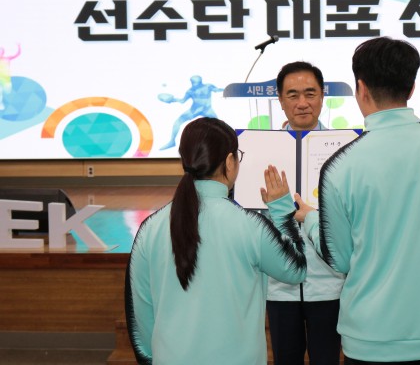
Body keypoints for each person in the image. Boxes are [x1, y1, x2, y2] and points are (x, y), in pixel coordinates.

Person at [266, 37, 420, 364]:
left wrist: (309, 217)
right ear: (411, 88)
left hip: (369, 337)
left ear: (361, 89)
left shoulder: (340, 164)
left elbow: (340, 260)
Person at [125, 117, 307, 365]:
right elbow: (296, 270)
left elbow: (141, 317)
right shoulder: (250, 225)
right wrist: (283, 209)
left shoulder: (149, 228)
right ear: (230, 162)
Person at [266, 61, 345, 365]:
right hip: (279, 285)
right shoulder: (261, 149)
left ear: (323, 96)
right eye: (293, 95)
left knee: (327, 358)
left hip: (329, 282)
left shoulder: (344, 149)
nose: (302, 103)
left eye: (310, 93)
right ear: (280, 100)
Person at [158, 75, 224, 150]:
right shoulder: (190, 91)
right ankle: (172, 141)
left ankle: (221, 143)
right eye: (193, 82)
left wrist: (227, 90)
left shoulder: (208, 86)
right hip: (194, 110)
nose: (194, 84)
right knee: (178, 121)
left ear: (200, 82)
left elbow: (217, 90)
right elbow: (182, 101)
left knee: (219, 125)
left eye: (195, 83)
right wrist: (173, 100)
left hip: (207, 110)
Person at [0, 44, 21, 111]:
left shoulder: (7, 59)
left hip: (6, 79)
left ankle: (8, 103)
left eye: (1, 51)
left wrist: (19, 46)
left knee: (8, 91)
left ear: (3, 52)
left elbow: (16, 55)